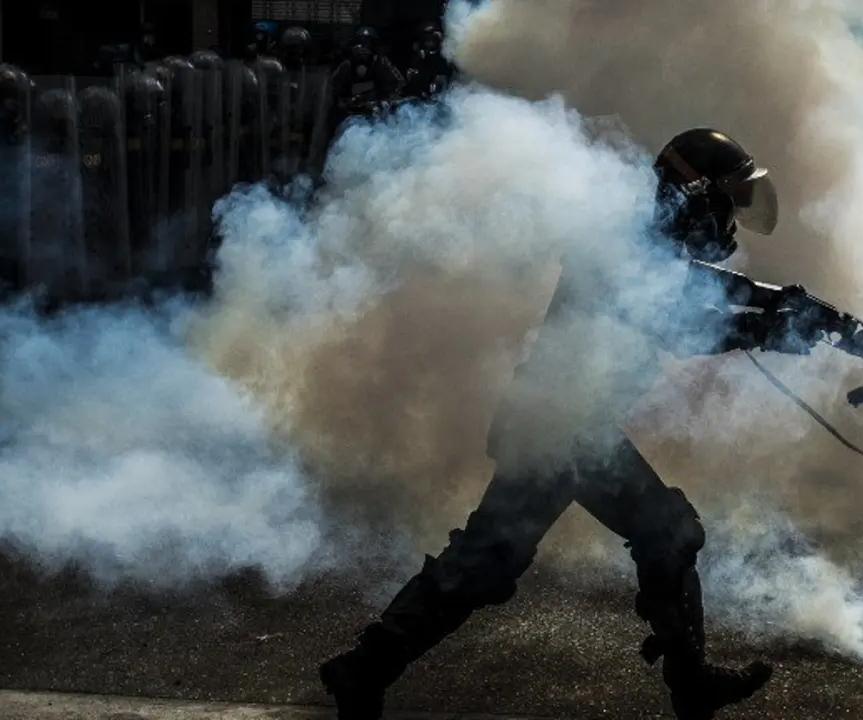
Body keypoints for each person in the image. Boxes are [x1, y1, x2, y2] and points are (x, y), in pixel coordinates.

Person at [318, 128, 800, 720]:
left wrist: (779, 306)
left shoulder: (646, 237)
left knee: (503, 558)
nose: (730, 215)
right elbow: (674, 317)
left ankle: (362, 669)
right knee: (631, 537)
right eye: (726, 199)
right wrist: (768, 326)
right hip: (559, 432)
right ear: (695, 192)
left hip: (568, 426)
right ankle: (361, 670)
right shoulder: (626, 241)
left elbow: (696, 284)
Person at [329, 26, 404, 117]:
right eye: (360, 42)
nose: (363, 48)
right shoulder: (347, 65)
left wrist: (388, 98)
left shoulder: (381, 62)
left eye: (367, 43)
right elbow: (332, 88)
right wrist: (346, 102)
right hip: (352, 114)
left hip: (377, 111)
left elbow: (399, 81)